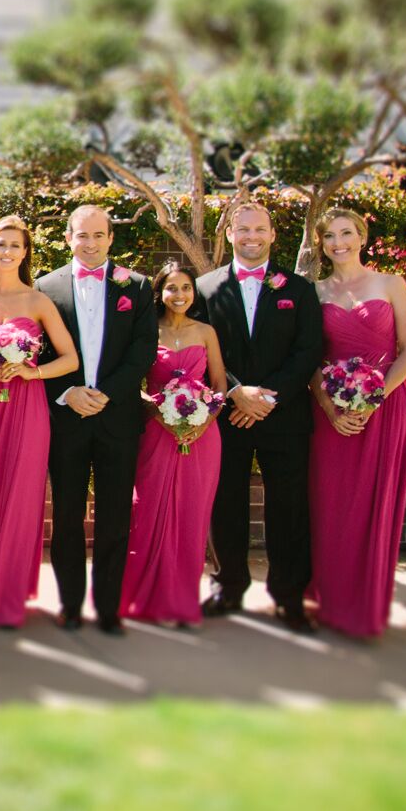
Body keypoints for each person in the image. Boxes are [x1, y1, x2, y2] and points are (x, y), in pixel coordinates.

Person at [194, 201, 325, 633]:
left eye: (260, 229)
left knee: (289, 508)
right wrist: (235, 392)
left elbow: (308, 351)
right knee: (224, 503)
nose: (252, 236)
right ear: (229, 234)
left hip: (283, 415)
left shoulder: (299, 289)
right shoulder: (205, 287)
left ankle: (288, 597)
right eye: (243, 229)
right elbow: (201, 350)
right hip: (228, 415)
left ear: (272, 234)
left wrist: (269, 397)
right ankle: (228, 586)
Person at [35, 205, 158, 634]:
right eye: (81, 235)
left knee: (114, 516)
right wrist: (68, 393)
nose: (89, 243)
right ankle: (70, 605)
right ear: (68, 237)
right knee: (66, 516)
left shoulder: (137, 286)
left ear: (110, 238)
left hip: (116, 417)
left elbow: (142, 350)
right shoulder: (45, 288)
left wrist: (105, 393)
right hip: (66, 417)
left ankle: (108, 608)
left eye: (98, 235)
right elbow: (39, 355)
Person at [0, 216, 79, 628]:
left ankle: (8, 597)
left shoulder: (38, 301)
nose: (7, 252)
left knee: (19, 498)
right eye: (0, 245)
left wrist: (31, 372)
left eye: (15, 245)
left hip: (26, 409)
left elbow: (70, 359)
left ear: (26, 253)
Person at [307, 207, 406, 638]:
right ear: (321, 243)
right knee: (331, 505)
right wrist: (330, 407)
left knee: (373, 506)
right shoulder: (314, 293)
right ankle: (330, 602)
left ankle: (364, 608)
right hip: (331, 412)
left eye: (347, 233)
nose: (339, 242)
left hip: (385, 409)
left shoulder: (391, 284)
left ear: (361, 236)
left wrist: (373, 399)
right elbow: (311, 361)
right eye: (330, 236)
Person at [121, 261, 227, 627]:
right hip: (157, 432)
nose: (179, 295)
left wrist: (204, 419)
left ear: (193, 293)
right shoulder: (147, 330)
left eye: (185, 288)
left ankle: (180, 601)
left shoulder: (206, 332)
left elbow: (219, 385)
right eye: (171, 288)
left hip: (201, 436)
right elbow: (134, 380)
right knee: (148, 511)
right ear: (160, 293)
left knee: (191, 515)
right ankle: (145, 598)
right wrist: (157, 410)